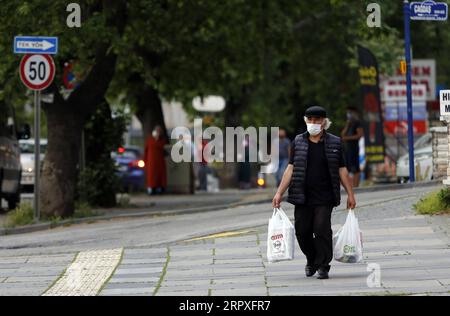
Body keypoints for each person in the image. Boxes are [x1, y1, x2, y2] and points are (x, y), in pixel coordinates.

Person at [272, 105, 356, 280]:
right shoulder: (298, 142)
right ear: (306, 121)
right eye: (310, 120)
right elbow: (290, 168)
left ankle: (323, 265)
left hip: (325, 196)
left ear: (324, 122)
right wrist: (279, 192)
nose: (313, 123)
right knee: (302, 231)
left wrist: (350, 194)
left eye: (317, 120)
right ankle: (312, 259)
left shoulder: (335, 142)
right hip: (302, 195)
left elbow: (342, 170)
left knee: (321, 229)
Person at [341, 106, 364, 187]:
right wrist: (347, 124)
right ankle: (349, 186)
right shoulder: (349, 123)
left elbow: (359, 135)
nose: (349, 114)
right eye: (348, 113)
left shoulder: (358, 123)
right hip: (347, 149)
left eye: (350, 113)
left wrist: (347, 138)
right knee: (347, 167)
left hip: (354, 148)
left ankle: (356, 186)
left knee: (355, 168)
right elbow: (343, 134)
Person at [144, 125, 167, 195]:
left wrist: (157, 139)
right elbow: (146, 150)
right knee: (152, 176)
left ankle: (160, 189)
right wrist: (145, 160)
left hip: (159, 161)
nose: (157, 132)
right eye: (156, 131)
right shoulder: (149, 140)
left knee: (160, 176)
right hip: (151, 162)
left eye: (159, 131)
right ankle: (152, 189)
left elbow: (162, 146)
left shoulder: (162, 140)